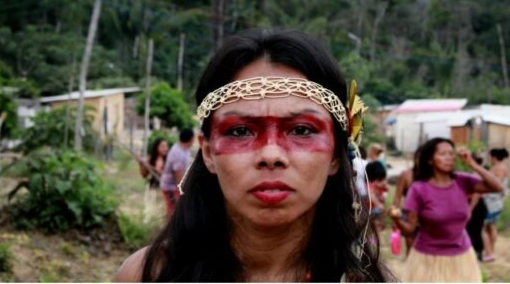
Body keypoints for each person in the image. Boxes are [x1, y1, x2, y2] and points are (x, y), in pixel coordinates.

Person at [115, 28, 395, 282]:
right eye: (239, 132)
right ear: (209, 151)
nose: (271, 154)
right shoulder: (146, 275)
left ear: (336, 153)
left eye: (300, 129)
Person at [390, 137, 503, 282]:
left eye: (451, 154)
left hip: (462, 258)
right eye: (443, 154)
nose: (449, 157)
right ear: (430, 160)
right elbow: (409, 230)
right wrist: (396, 219)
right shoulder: (418, 189)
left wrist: (472, 164)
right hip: (427, 260)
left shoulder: (462, 181)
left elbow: (497, 186)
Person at [482, 147, 509, 262]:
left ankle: (488, 252)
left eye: (490, 157)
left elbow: (495, 184)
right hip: (496, 201)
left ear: (494, 157)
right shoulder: (503, 167)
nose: (489, 159)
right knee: (491, 227)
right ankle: (491, 251)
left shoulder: (498, 168)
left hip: (491, 201)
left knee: (482, 228)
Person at [159, 128, 194, 216]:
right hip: (171, 188)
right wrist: (185, 191)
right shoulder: (178, 154)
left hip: (174, 186)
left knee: (175, 210)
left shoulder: (184, 148)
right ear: (191, 139)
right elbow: (179, 179)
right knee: (174, 212)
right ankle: (170, 228)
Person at [466, 153, 488, 262]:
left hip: (477, 206)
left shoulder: (475, 175)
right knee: (475, 230)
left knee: (474, 230)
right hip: (479, 206)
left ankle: (477, 253)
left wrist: (470, 209)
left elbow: (476, 195)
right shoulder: (480, 173)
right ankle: (477, 253)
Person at [391, 167, 415, 255]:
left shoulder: (434, 174)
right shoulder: (406, 175)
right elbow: (397, 197)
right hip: (409, 216)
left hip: (428, 217)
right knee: (411, 248)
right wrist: (395, 218)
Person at [365, 161, 388, 233]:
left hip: (377, 210)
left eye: (383, 179)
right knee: (374, 224)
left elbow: (386, 190)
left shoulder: (380, 186)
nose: (383, 182)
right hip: (369, 210)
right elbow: (371, 195)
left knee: (379, 224)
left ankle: (378, 234)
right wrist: (378, 204)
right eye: (380, 180)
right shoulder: (370, 185)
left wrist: (385, 187)